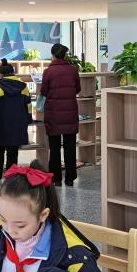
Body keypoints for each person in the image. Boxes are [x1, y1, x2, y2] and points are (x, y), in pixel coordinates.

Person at [39, 44, 80, 186]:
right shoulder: (73, 70)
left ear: (53, 55)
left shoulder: (48, 72)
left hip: (53, 114)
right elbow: (77, 89)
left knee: (54, 147)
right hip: (70, 113)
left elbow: (44, 91)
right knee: (70, 147)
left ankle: (56, 179)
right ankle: (70, 178)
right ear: (65, 55)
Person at [0, 59, 31, 185]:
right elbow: (28, 106)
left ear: (1, 74)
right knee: (13, 152)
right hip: (18, 124)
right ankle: (11, 179)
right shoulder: (23, 87)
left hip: (1, 124)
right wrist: (28, 120)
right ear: (13, 72)